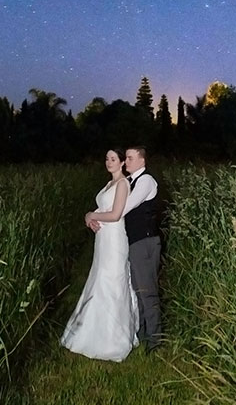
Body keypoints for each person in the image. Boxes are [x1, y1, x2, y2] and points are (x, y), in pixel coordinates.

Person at [60, 150, 140, 361]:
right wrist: (89, 218)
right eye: (106, 158)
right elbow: (103, 207)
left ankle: (114, 339)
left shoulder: (123, 184)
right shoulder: (109, 184)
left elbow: (115, 214)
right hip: (102, 239)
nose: (108, 162)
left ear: (122, 162)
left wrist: (92, 214)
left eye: (113, 159)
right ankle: (91, 330)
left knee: (111, 280)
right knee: (98, 278)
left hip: (114, 240)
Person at [121, 145, 163, 349]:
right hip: (135, 241)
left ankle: (155, 339)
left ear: (141, 161)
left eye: (129, 158)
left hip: (145, 241)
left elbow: (126, 206)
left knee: (147, 291)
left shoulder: (145, 180)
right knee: (139, 290)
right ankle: (144, 333)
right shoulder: (130, 181)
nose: (125, 161)